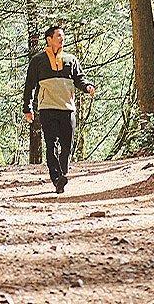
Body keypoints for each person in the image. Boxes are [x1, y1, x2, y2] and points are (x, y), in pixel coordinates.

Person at [23, 25, 96, 193]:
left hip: (67, 108)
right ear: (49, 39)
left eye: (63, 36)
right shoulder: (38, 60)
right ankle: (56, 178)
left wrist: (88, 87)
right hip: (47, 108)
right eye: (59, 36)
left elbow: (80, 79)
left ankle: (63, 173)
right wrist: (28, 108)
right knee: (51, 144)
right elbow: (30, 86)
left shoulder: (71, 60)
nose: (62, 39)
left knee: (68, 144)